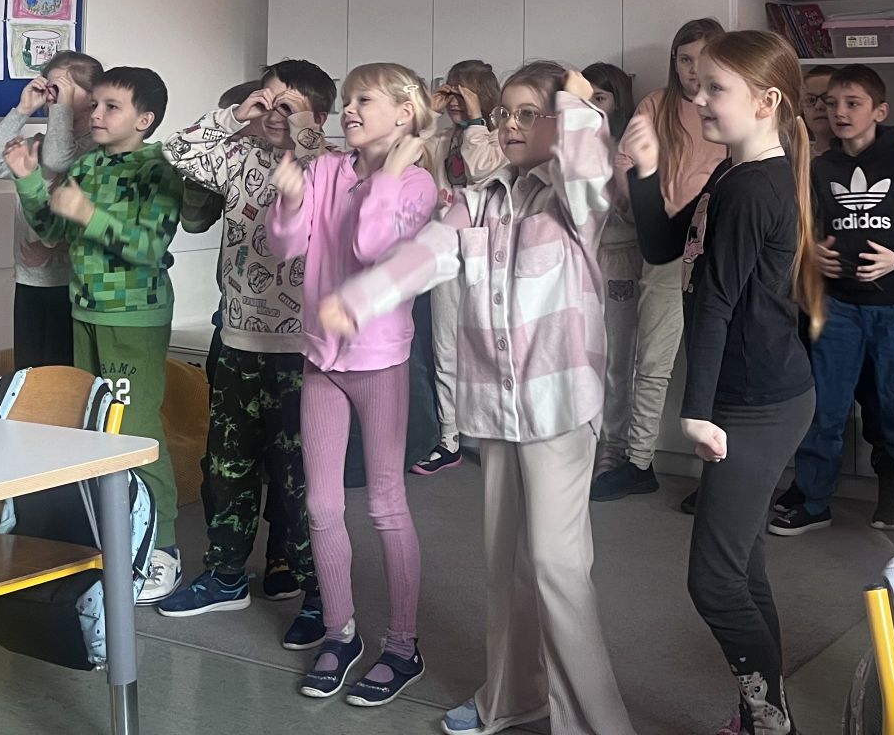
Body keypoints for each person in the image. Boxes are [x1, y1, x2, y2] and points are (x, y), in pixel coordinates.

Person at [321, 63, 637, 735]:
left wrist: (578, 104)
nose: (511, 126)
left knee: (555, 566)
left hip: (558, 411)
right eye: (504, 115)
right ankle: (513, 696)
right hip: (495, 412)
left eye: (529, 114)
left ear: (557, 122)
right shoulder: (479, 200)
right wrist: (359, 298)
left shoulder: (575, 204)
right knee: (506, 567)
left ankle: (595, 723)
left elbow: (587, 174)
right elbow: (427, 255)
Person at [627, 30, 824, 735]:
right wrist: (645, 171)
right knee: (740, 567)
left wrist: (697, 410)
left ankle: (768, 720)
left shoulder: (752, 187)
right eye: (697, 84)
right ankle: (763, 713)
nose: (699, 97)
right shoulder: (731, 175)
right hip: (756, 397)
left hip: (759, 404)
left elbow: (714, 303)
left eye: (716, 88)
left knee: (714, 580)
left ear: (766, 101)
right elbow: (663, 245)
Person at [270, 63, 439, 704]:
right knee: (321, 506)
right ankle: (339, 631)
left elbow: (372, 247)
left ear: (404, 112)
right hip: (321, 359)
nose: (348, 110)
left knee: (386, 505)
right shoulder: (326, 171)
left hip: (381, 362)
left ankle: (402, 645)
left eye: (363, 99)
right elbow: (286, 246)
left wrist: (389, 175)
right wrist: (291, 199)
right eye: (346, 100)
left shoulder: (416, 183)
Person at [155, 62, 332, 644]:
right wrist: (236, 115)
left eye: (289, 106)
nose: (274, 113)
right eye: (268, 100)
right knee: (226, 466)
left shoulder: (330, 168)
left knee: (300, 476)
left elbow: (327, 171)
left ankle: (314, 587)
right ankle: (226, 574)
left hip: (306, 351)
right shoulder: (239, 156)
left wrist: (304, 132)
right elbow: (179, 150)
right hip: (237, 339)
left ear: (318, 116)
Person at [5, 66, 185, 600]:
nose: (96, 114)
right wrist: (28, 179)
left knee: (136, 430)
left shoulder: (160, 170)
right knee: (93, 429)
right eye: (96, 104)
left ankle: (163, 548)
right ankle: (107, 537)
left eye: (111, 107)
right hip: (83, 311)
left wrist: (88, 213)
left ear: (144, 120)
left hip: (133, 319)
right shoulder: (88, 166)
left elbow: (149, 248)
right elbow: (52, 230)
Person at [772, 66, 894, 539]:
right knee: (825, 411)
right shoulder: (819, 169)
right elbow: (800, 231)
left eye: (852, 103)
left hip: (892, 310)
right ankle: (813, 501)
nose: (839, 112)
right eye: (831, 104)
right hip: (837, 308)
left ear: (879, 111)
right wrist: (812, 253)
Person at [594, 17, 728, 502]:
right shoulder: (658, 103)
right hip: (666, 248)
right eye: (684, 59)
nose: (692, 69)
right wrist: (639, 205)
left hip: (720, 250)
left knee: (719, 365)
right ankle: (638, 462)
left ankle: (719, 476)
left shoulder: (730, 104)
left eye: (702, 59)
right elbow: (625, 161)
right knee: (651, 361)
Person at [0, 50, 101, 369]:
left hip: (73, 283)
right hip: (30, 279)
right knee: (29, 373)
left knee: (63, 375)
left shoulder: (97, 150)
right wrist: (22, 110)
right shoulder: (39, 145)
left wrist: (61, 108)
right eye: (50, 87)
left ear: (93, 98)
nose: (52, 96)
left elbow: (60, 159)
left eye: (62, 88)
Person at [415, 59, 508, 476]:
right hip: (444, 255)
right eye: (449, 91)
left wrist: (474, 120)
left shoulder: (502, 136)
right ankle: (449, 437)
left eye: (462, 92)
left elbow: (484, 169)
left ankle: (496, 438)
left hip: (489, 256)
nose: (453, 100)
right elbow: (404, 153)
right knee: (445, 348)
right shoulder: (441, 139)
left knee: (491, 349)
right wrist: (428, 113)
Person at [585, 62, 642, 480]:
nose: (590, 106)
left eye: (600, 98)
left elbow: (641, 213)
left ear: (617, 101)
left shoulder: (628, 148)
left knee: (616, 360)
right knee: (579, 356)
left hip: (620, 257)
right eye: (584, 97)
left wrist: (621, 194)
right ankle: (583, 440)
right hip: (579, 259)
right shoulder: (570, 145)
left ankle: (613, 445)